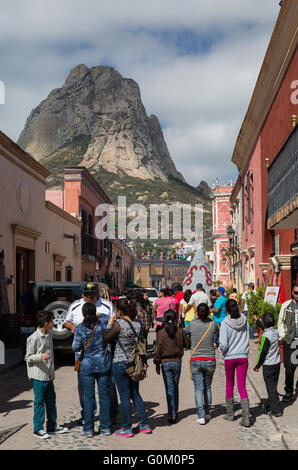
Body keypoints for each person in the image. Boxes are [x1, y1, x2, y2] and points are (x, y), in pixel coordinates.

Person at [64, 282, 115, 425]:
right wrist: (73, 326)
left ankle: (109, 414)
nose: (89, 297)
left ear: (97, 294)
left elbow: (113, 323)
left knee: (107, 387)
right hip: (82, 354)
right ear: (82, 294)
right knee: (85, 389)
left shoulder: (107, 306)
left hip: (103, 352)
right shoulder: (75, 305)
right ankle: (88, 414)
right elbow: (66, 322)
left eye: (92, 294)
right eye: (86, 294)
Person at [104, 298, 151, 437]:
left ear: (119, 310)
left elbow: (105, 338)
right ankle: (144, 424)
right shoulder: (138, 324)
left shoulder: (118, 324)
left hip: (120, 362)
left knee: (124, 396)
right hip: (134, 362)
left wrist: (109, 324)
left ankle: (127, 427)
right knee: (135, 394)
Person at [25, 310, 69, 439]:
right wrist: (40, 356)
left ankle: (52, 426)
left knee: (51, 401)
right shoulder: (33, 338)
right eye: (51, 321)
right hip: (38, 375)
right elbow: (28, 357)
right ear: (45, 323)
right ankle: (38, 429)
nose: (53, 323)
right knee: (39, 402)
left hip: (48, 374)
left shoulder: (49, 334)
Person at [72, 302, 112, 437]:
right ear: (95, 312)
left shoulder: (80, 328)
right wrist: (100, 315)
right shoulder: (102, 324)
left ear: (83, 314)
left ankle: (88, 429)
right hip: (103, 364)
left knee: (88, 398)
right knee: (104, 396)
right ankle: (106, 427)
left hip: (87, 366)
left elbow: (75, 347)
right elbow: (109, 317)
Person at [154, 309, 190, 425]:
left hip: (165, 363)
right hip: (177, 362)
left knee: (169, 388)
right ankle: (175, 411)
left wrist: (157, 363)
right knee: (175, 386)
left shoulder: (161, 332)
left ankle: (172, 413)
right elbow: (187, 344)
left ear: (164, 319)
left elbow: (158, 349)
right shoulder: (180, 331)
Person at [219, 299, 250, 427]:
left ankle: (230, 414)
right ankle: (246, 417)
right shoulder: (244, 319)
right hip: (243, 356)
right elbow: (248, 336)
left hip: (230, 357)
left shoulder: (225, 323)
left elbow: (224, 344)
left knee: (229, 383)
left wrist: (222, 350)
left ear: (227, 309)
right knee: (242, 386)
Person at [185, 303, 219, 425]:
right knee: (208, 387)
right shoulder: (213, 324)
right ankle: (208, 412)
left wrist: (195, 318)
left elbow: (185, 331)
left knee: (198, 388)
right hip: (210, 359)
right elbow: (216, 331)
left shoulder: (192, 324)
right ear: (208, 313)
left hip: (196, 360)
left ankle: (201, 415)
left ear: (197, 313)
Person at [254, 313, 282, 417]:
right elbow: (265, 328)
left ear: (264, 323)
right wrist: (257, 320)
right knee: (273, 385)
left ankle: (276, 410)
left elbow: (262, 353)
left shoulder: (265, 336)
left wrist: (257, 366)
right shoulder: (275, 332)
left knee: (270, 387)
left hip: (268, 365)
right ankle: (269, 405)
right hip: (277, 363)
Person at [277, 283, 298, 402]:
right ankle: (289, 391)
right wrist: (283, 336)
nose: (297, 295)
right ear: (292, 292)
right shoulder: (286, 305)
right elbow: (281, 322)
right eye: (295, 293)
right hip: (291, 341)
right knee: (290, 368)